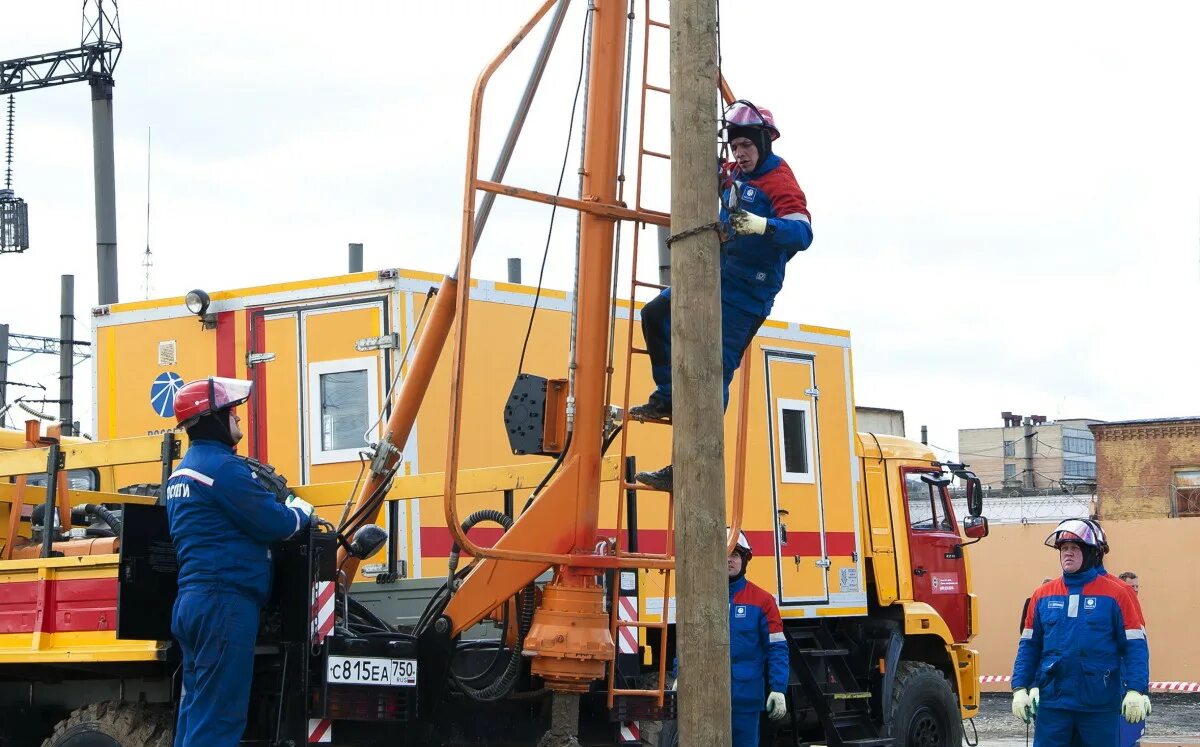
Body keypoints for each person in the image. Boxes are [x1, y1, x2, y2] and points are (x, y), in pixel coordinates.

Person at [632, 100, 813, 492]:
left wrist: (765, 225)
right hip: (716, 273)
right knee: (655, 314)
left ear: (764, 143)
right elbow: (719, 176)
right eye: (735, 146)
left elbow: (803, 233)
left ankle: (692, 466)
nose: (740, 153)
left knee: (716, 368)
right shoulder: (733, 172)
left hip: (749, 290)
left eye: (747, 145)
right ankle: (667, 395)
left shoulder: (779, 180)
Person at [166, 377, 315, 747]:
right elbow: (274, 523)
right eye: (232, 412)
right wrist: (300, 511)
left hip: (193, 602)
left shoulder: (181, 474)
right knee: (220, 716)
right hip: (224, 603)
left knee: (195, 710)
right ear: (212, 419)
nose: (237, 419)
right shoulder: (223, 469)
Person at [1011, 518, 1151, 746]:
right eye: (1064, 548)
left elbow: (1134, 647)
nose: (1068, 553)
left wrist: (1136, 690)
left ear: (1092, 553)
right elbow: (1030, 646)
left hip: (1099, 704)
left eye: (1075, 548)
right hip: (1053, 705)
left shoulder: (1117, 594)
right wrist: (1021, 687)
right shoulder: (1042, 595)